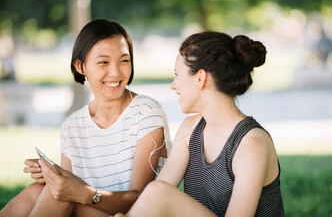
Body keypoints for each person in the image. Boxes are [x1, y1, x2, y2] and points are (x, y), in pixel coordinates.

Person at [0, 19, 172, 217]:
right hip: (90, 209)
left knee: (58, 195)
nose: (115, 72)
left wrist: (86, 194)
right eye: (103, 62)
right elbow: (72, 188)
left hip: (131, 214)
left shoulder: (146, 112)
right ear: (80, 66)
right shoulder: (72, 126)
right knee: (37, 190)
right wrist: (56, 177)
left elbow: (142, 201)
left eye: (124, 60)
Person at [115, 31, 284, 217]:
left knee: (158, 192)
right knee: (156, 191)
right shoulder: (190, 129)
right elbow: (154, 198)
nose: (173, 85)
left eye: (177, 75)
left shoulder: (251, 143)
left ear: (200, 78)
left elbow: (158, 195)